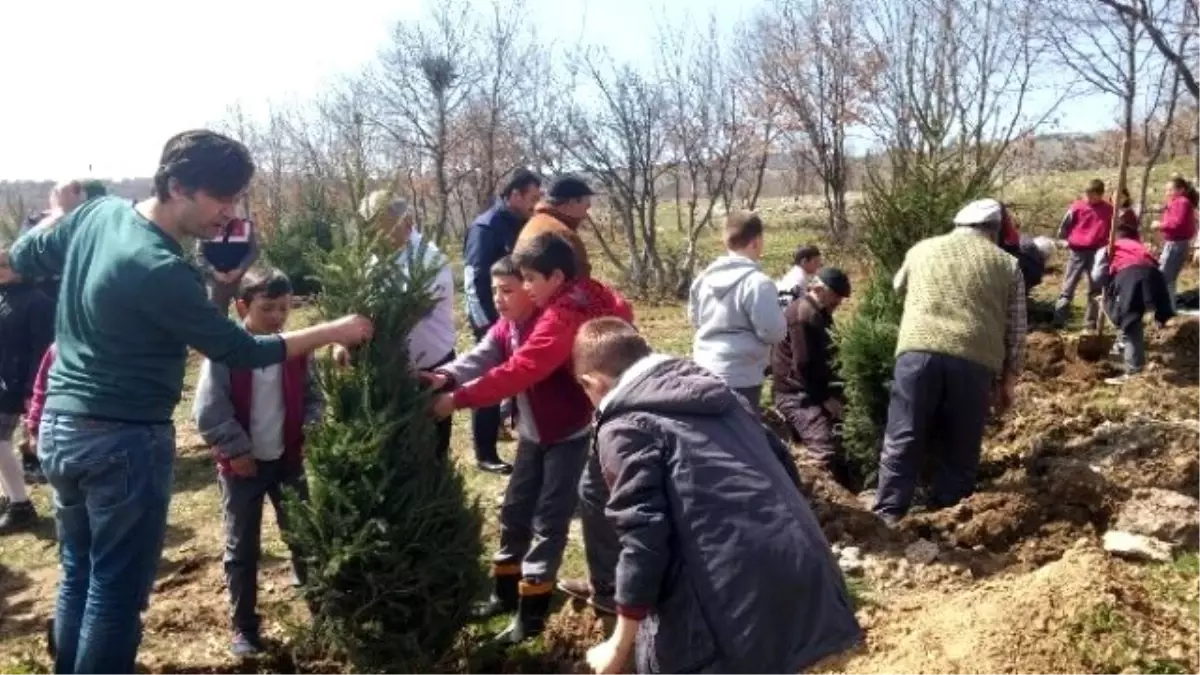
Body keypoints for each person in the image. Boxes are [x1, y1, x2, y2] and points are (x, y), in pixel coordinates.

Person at [8, 129, 373, 675]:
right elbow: (240, 349)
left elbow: (21, 251)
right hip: (122, 440)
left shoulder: (100, 215)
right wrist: (334, 329)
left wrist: (66, 211)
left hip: (62, 427)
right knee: (116, 590)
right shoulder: (159, 265)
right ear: (177, 186)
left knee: (80, 571)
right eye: (219, 200)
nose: (228, 215)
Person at [573, 317, 863, 675]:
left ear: (592, 382)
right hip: (812, 583)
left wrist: (618, 647)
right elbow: (784, 467)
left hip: (731, 612)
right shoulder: (722, 394)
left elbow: (644, 538)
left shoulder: (623, 427)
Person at [431, 233, 633, 641]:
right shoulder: (512, 323)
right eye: (501, 289)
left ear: (550, 280)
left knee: (550, 518)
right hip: (533, 435)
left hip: (570, 434)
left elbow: (522, 370)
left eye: (519, 284)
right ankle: (505, 592)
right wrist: (446, 375)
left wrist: (457, 400)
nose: (510, 294)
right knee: (516, 507)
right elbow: (485, 354)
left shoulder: (559, 319)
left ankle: (533, 610)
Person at [192, 268, 323, 657]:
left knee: (304, 536)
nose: (278, 318)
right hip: (243, 469)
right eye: (268, 309)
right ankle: (245, 629)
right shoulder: (225, 352)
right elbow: (209, 411)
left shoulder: (295, 349)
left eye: (285, 308)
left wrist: (313, 426)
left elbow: (314, 396)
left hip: (288, 460)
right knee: (242, 547)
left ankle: (322, 610)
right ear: (242, 306)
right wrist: (237, 451)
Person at [873, 198, 1026, 525]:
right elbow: (1016, 327)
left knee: (904, 434)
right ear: (993, 232)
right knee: (961, 444)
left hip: (916, 354)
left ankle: (887, 515)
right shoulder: (1006, 265)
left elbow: (898, 286)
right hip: (973, 361)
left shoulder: (921, 249)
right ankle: (947, 518)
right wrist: (1010, 379)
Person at [514, 179, 621, 616]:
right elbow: (528, 361)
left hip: (572, 382)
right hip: (570, 393)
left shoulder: (537, 225)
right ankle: (611, 592)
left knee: (580, 492)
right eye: (587, 203)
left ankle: (604, 585)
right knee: (585, 494)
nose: (589, 211)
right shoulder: (555, 236)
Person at [361, 190, 457, 460]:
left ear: (405, 221)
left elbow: (407, 316)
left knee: (432, 446)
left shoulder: (429, 260)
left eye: (378, 226)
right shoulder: (375, 256)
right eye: (367, 226)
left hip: (430, 367)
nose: (372, 235)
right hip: (390, 365)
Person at [463, 169, 543, 474]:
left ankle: (506, 427)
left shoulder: (524, 224)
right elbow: (474, 280)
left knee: (516, 379)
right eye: (531, 198)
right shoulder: (486, 228)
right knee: (489, 382)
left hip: (519, 319)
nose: (535, 204)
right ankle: (485, 453)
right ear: (514, 195)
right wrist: (488, 326)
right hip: (492, 320)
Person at [688, 210, 787, 410]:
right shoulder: (758, 283)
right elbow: (773, 332)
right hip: (742, 375)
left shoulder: (702, 280)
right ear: (756, 241)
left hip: (704, 370)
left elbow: (695, 319)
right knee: (742, 434)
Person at [771, 267, 853, 489]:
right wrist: (826, 399)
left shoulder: (820, 312)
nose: (839, 301)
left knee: (844, 442)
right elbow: (804, 365)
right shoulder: (804, 315)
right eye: (836, 295)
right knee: (825, 450)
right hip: (796, 394)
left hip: (811, 389)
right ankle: (817, 500)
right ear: (820, 289)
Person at [0, 248, 54, 533]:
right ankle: (14, 496)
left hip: (22, 383)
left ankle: (21, 503)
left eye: (4, 266)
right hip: (5, 379)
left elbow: (41, 350)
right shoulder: (4, 296)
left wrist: (33, 389)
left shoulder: (38, 302)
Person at [1093, 218, 1174, 385]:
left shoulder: (1109, 247)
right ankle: (1127, 348)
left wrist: (1106, 293)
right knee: (1134, 315)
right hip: (1154, 276)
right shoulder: (1139, 246)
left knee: (1129, 320)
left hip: (1131, 275)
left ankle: (1133, 371)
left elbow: (1097, 276)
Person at [1053, 179, 1113, 328]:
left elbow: (1114, 229)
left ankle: (1090, 323)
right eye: (1087, 194)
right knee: (1068, 286)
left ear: (1100, 194)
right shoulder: (1077, 207)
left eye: (1092, 195)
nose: (1088, 197)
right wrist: (1065, 241)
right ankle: (1059, 321)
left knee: (1095, 288)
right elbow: (1064, 227)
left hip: (1098, 252)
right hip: (1077, 251)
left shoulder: (1109, 210)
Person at [516, 174, 594, 278]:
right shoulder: (564, 235)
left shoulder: (536, 223)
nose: (586, 214)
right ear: (571, 203)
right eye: (586, 206)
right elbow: (581, 284)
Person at [196, 214, 259, 315]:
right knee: (216, 318)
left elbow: (253, 251)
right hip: (216, 280)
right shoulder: (204, 225)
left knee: (251, 314)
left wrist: (239, 269)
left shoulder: (245, 224)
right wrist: (214, 272)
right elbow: (199, 255)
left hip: (242, 278)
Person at [1151, 175, 1198, 309]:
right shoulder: (1177, 202)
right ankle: (1169, 307)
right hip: (1174, 243)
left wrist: (1160, 225)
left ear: (1181, 190)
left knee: (1165, 278)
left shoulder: (1182, 202)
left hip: (1177, 244)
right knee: (1167, 277)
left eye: (1171, 190)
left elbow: (1177, 223)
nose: (1168, 193)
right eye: (1167, 190)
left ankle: (1168, 309)